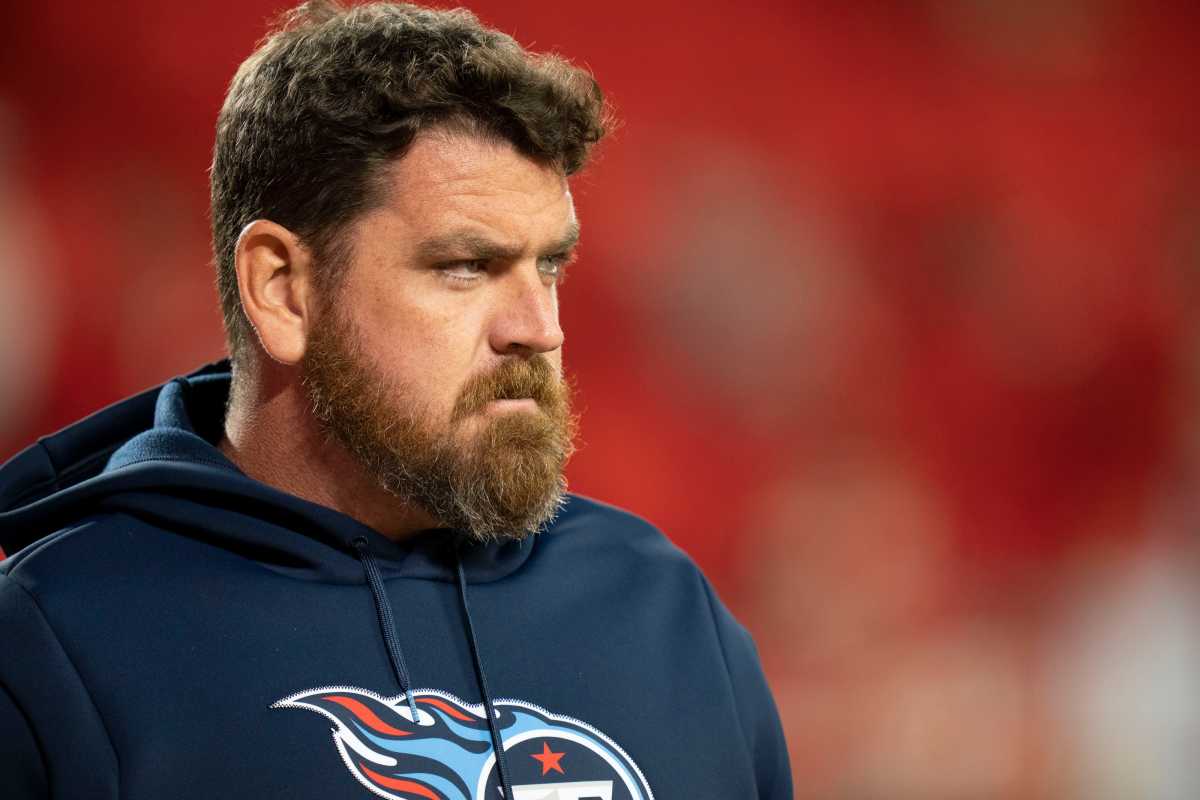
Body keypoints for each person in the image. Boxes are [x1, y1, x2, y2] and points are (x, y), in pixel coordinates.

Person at [0, 2, 792, 798]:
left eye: (549, 266)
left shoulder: (667, 614)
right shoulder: (55, 649)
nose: (539, 329)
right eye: (466, 267)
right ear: (284, 290)